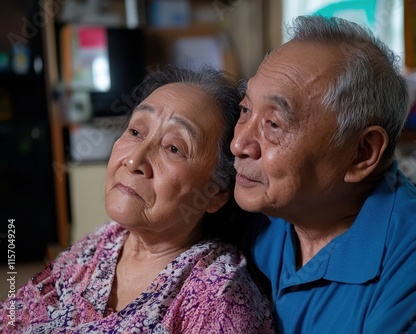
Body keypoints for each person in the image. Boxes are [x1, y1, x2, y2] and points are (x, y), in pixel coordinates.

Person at [230, 15, 416, 333]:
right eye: (245, 110)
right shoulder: (262, 219)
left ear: (362, 154)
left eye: (274, 124)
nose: (238, 144)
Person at [1, 65, 275, 333]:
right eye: (135, 132)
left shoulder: (220, 302)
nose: (134, 160)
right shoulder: (102, 244)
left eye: (174, 148)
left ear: (215, 193)